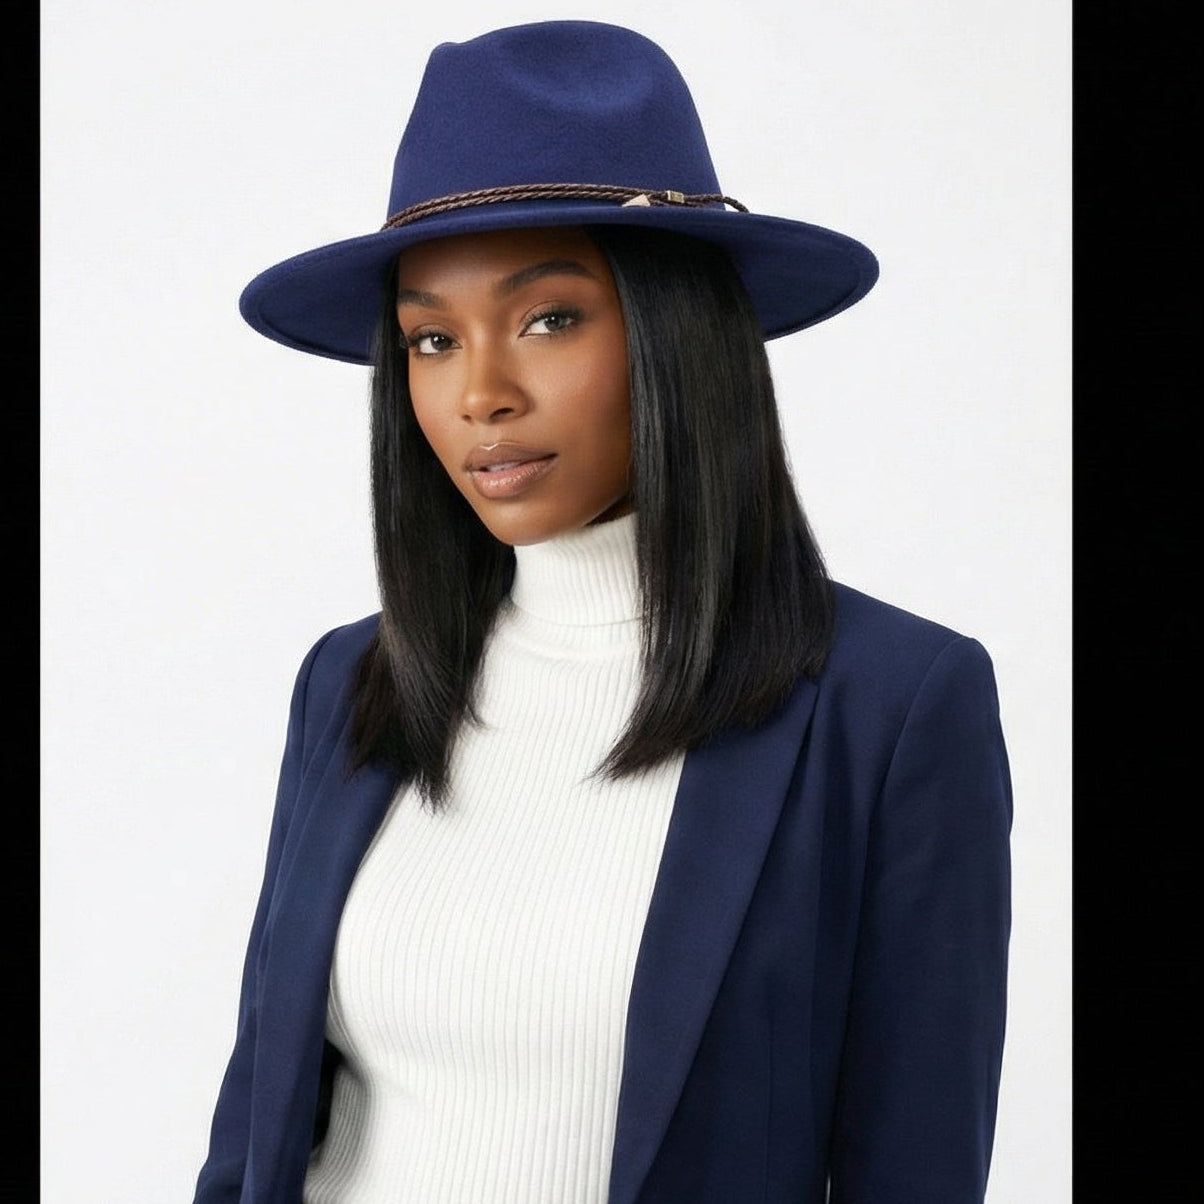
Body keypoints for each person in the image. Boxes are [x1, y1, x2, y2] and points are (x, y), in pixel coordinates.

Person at [193, 20, 1011, 1204]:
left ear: (679, 332)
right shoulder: (351, 681)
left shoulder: (888, 706)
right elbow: (257, 1125)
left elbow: (914, 1168)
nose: (479, 392)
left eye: (547, 319)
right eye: (430, 338)